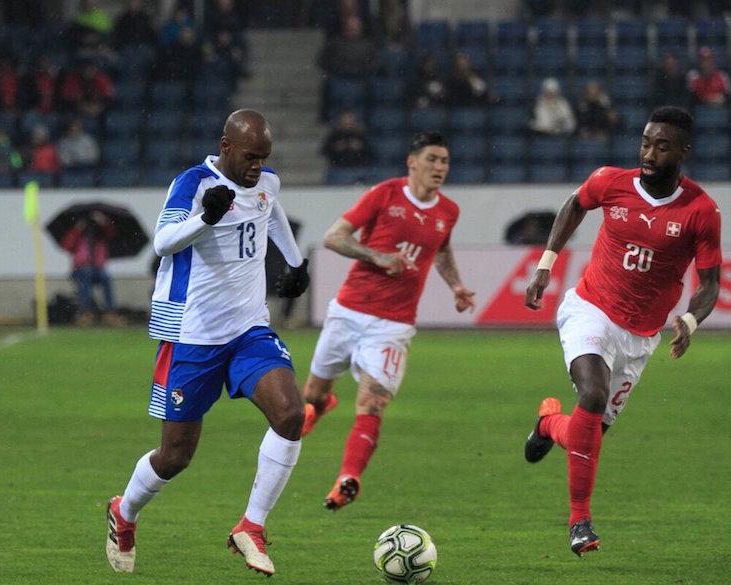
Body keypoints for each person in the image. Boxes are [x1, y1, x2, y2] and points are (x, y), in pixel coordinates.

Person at [105, 109, 311, 577]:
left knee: (291, 415)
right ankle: (125, 512)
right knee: (175, 456)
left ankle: (251, 527)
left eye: (264, 157)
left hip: (248, 331)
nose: (258, 166)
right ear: (225, 146)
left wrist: (295, 263)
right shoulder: (194, 184)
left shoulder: (266, 182)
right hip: (192, 338)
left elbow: (270, 209)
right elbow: (162, 242)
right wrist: (206, 217)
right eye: (250, 157)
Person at [523, 106, 722, 556]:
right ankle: (579, 522)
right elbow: (575, 203)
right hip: (590, 309)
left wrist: (689, 320)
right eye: (646, 142)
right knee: (592, 395)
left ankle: (548, 423)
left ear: (683, 151)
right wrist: (545, 266)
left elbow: (710, 285)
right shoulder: (611, 181)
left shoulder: (700, 211)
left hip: (639, 336)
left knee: (585, 434)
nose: (649, 153)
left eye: (662, 146)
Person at [300, 132, 476, 510]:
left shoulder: (448, 212)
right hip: (347, 312)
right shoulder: (385, 194)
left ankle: (348, 477)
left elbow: (441, 251)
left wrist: (456, 286)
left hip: (392, 326)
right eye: (432, 159)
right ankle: (320, 403)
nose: (440, 168)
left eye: (445, 161)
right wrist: (376, 256)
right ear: (412, 162)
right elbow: (334, 238)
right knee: (310, 396)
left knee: (373, 401)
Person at [60, 210, 121, 326]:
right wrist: (78, 229)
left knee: (106, 278)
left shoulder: (101, 236)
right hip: (81, 268)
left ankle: (110, 312)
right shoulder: (78, 235)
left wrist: (103, 222)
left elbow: (112, 235)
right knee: (85, 277)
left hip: (97, 268)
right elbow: (67, 245)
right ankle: (85, 311)